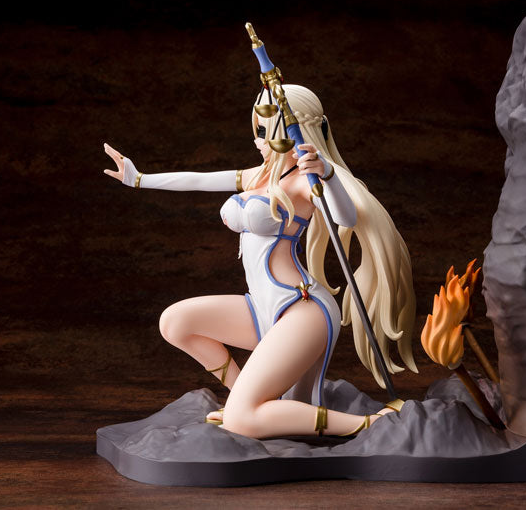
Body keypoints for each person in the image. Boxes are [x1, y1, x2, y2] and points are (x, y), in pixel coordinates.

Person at [102, 84, 417, 439]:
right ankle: (241, 398)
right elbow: (200, 180)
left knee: (242, 422)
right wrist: (138, 179)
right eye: (257, 130)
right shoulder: (260, 174)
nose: (257, 140)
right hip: (261, 307)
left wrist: (327, 175)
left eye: (265, 131)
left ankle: (365, 424)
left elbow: (345, 217)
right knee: (174, 322)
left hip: (300, 309)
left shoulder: (304, 181)